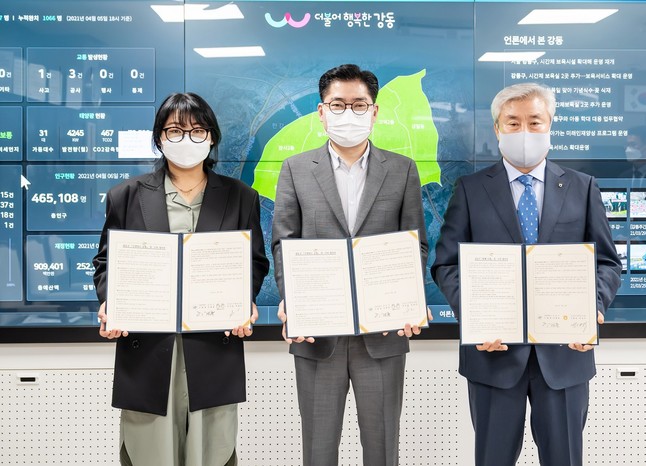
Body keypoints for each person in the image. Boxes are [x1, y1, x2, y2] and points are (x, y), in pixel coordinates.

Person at [431, 83, 621, 466]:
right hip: (493, 355)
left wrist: (593, 307)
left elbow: (607, 263)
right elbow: (446, 264)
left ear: (550, 125)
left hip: (565, 355)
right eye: (513, 123)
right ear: (497, 129)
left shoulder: (582, 187)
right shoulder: (470, 189)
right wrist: (476, 318)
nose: (524, 132)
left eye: (534, 122)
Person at [92, 92, 269, 466]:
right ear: (159, 137)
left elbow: (254, 262)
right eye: (175, 130)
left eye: (197, 130)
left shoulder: (241, 197)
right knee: (149, 455)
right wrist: (111, 303)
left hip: (213, 347)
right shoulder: (125, 196)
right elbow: (106, 262)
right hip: (147, 348)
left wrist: (244, 302)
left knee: (212, 454)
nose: (186, 139)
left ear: (211, 137)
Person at [271, 64, 429, 466]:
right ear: (321, 112)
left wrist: (409, 299)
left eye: (359, 105)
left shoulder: (402, 170)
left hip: (382, 335)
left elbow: (415, 245)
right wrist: (294, 302)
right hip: (317, 335)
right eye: (338, 104)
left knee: (382, 450)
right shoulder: (295, 169)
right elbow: (284, 244)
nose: (348, 113)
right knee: (318, 452)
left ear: (374, 112)